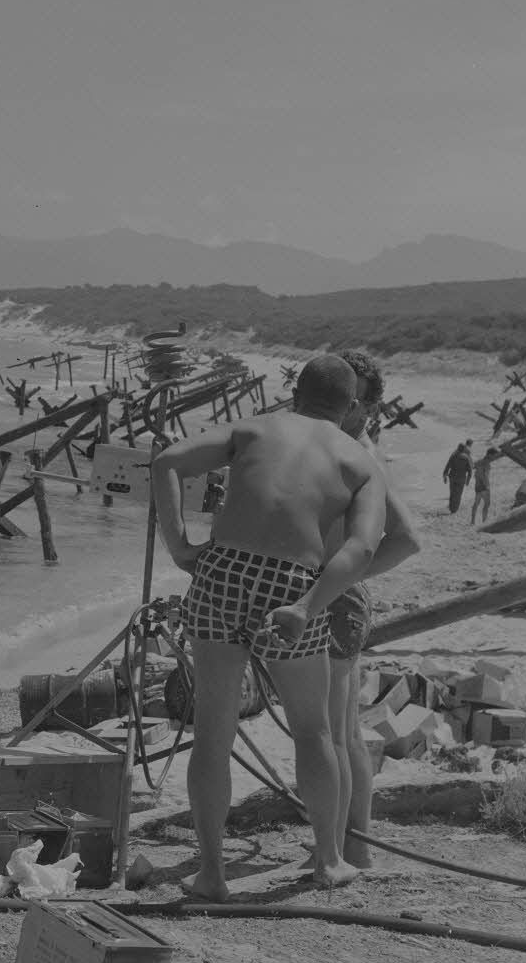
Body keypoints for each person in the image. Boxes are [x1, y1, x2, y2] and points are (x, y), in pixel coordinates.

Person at [151, 355, 387, 899]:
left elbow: (167, 460)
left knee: (213, 730)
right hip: (293, 580)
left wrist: (180, 546)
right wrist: (309, 603)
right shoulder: (357, 458)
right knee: (313, 730)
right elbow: (361, 548)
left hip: (223, 568)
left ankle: (210, 874)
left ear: (295, 392)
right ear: (351, 407)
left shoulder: (253, 426)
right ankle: (329, 861)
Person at [325, 351, 422, 869]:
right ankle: (351, 846)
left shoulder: (360, 452)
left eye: (351, 396)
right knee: (342, 730)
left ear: (367, 407)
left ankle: (349, 849)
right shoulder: (343, 446)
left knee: (333, 734)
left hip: (338, 603)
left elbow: (405, 539)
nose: (341, 404)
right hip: (336, 599)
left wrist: (333, 580)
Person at [470, 447, 500, 525]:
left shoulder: (479, 462)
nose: (495, 457)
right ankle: (484, 521)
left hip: (477, 485)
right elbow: (485, 476)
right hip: (484, 486)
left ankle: (472, 521)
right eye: (494, 455)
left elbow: (473, 467)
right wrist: (487, 486)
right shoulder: (487, 464)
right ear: (490, 455)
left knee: (476, 503)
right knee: (487, 504)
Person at [443, 443, 472, 513]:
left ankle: (451, 507)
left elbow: (447, 466)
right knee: (458, 494)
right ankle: (455, 509)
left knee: (452, 493)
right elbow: (470, 470)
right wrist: (468, 480)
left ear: (458, 448)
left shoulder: (453, 456)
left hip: (452, 477)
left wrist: (445, 476)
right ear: (464, 449)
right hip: (461, 478)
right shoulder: (466, 457)